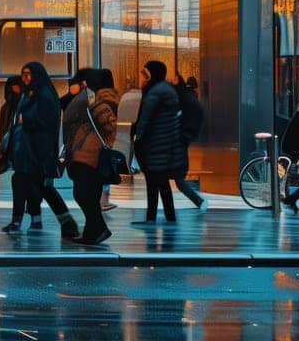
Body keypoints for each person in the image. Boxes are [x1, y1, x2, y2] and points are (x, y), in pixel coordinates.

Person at [4, 61, 77, 237]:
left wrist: (27, 120)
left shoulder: (44, 95)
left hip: (38, 152)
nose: (25, 78)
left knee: (42, 188)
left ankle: (66, 222)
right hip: (26, 151)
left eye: (28, 75)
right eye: (23, 75)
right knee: (23, 183)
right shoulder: (30, 94)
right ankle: (21, 221)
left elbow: (47, 121)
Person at [62, 67, 119, 246]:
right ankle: (91, 232)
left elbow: (110, 126)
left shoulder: (99, 102)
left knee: (83, 193)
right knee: (88, 194)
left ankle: (99, 228)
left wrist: (95, 113)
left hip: (89, 153)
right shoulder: (93, 100)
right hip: (85, 153)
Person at [131, 60, 187, 227]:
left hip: (154, 143)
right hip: (164, 142)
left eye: (145, 74)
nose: (143, 78)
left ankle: (151, 217)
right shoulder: (166, 89)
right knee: (161, 182)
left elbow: (145, 118)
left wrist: (137, 136)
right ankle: (168, 216)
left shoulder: (155, 91)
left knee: (153, 181)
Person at [172, 76, 207, 209]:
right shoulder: (191, 100)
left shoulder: (185, 101)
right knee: (176, 179)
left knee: (175, 179)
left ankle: (198, 201)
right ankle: (197, 201)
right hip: (183, 140)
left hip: (179, 140)